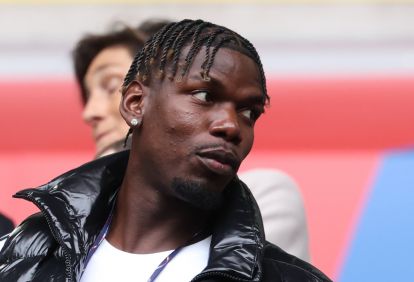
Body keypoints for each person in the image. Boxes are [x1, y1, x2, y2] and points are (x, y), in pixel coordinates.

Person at [0, 19, 329, 281]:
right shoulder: (18, 253)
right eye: (204, 97)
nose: (232, 126)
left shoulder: (281, 260)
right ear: (135, 103)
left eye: (249, 112)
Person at [74, 19, 310, 261]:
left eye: (111, 85)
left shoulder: (264, 194)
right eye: (89, 94)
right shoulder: (52, 233)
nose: (90, 112)